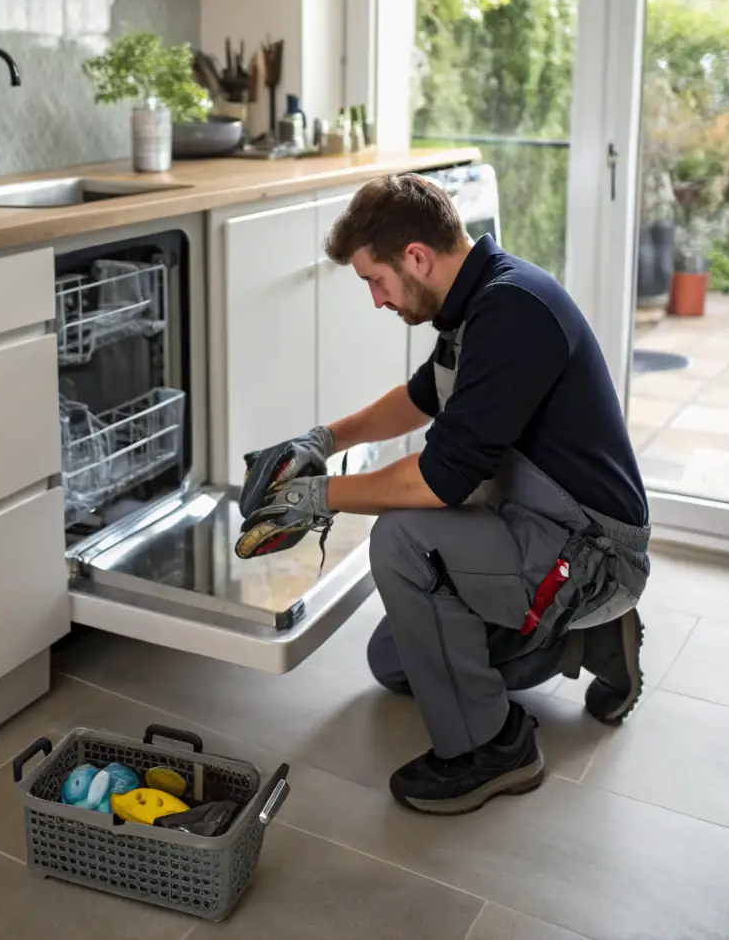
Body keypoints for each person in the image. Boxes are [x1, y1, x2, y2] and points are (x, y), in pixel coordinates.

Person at [237, 173, 650, 816]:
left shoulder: (513, 313)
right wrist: (321, 439)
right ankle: (580, 640)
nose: (377, 299)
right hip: (543, 526)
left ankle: (495, 748)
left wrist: (319, 498)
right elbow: (421, 398)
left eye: (376, 280)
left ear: (417, 258)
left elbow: (438, 479)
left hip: (591, 551)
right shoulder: (479, 301)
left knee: (404, 542)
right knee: (394, 662)